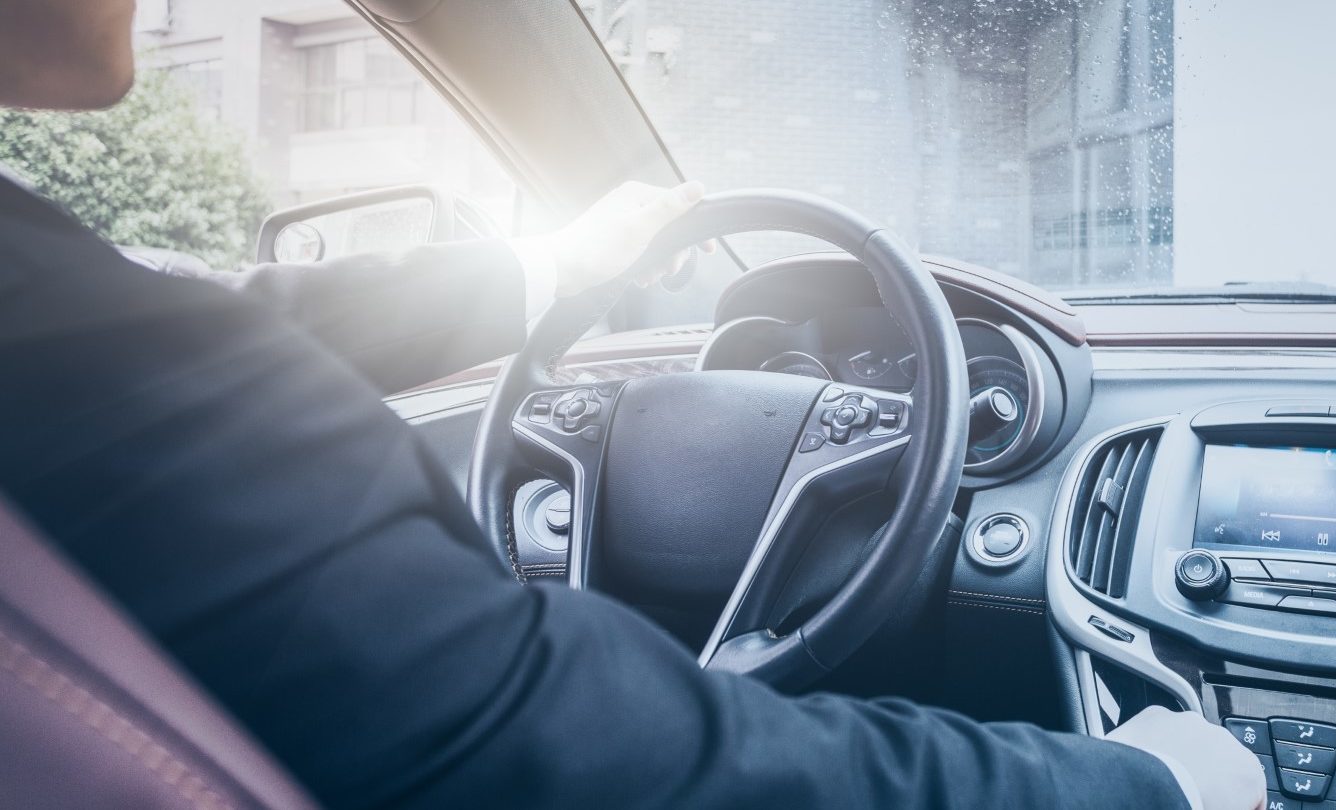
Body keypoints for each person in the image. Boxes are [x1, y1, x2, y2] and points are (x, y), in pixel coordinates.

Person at [0, 1, 1265, 808]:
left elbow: (190, 336)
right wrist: (1149, 782)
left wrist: (546, 275)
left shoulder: (52, 319)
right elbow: (559, 756)